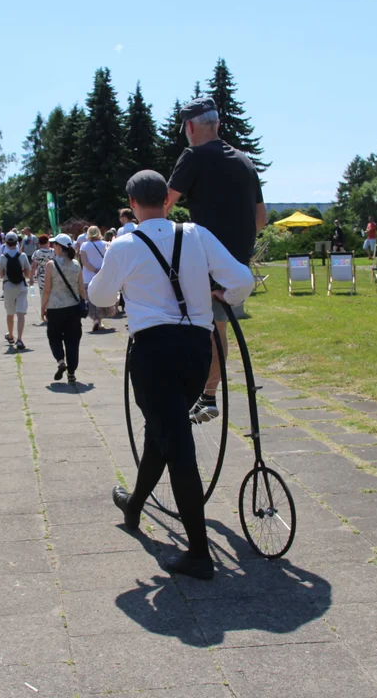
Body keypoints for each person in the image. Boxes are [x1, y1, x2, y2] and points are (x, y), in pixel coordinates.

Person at [90, 170, 253, 580]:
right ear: (168, 199)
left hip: (153, 353)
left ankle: (199, 554)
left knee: (176, 443)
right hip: (196, 350)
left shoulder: (124, 244)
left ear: (132, 202)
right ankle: (134, 505)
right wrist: (222, 295)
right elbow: (243, 280)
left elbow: (100, 297)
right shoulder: (196, 234)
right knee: (162, 431)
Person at [165, 96, 265, 424]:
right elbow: (261, 218)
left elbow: (162, 206)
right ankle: (209, 395)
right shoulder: (245, 162)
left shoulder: (192, 156)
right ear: (218, 124)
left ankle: (185, 385)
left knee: (180, 320)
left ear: (190, 127)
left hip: (203, 259)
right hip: (235, 266)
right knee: (217, 327)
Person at [40, 234, 86, 383]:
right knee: (72, 341)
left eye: (54, 245)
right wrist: (84, 302)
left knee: (54, 337)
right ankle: (71, 373)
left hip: (55, 307)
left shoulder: (51, 265)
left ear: (60, 247)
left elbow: (47, 289)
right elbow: (80, 288)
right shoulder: (76, 264)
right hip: (72, 308)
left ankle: (61, 361)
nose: (53, 248)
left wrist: (43, 307)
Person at [0, 232, 31, 349]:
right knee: (21, 313)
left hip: (8, 287)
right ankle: (20, 339)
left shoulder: (3, 257)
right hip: (21, 286)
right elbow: (27, 273)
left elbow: (1, 275)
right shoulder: (22, 256)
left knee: (10, 313)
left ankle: (11, 335)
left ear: (6, 243)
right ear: (17, 242)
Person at [80, 226, 111, 331]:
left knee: (91, 300)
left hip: (88, 277)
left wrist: (94, 270)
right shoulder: (106, 244)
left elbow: (84, 262)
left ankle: (95, 319)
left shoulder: (84, 245)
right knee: (101, 298)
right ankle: (100, 319)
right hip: (102, 277)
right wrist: (100, 270)